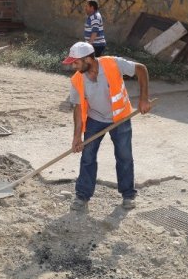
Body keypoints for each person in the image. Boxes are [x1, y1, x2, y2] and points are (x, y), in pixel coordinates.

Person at [62, 41, 151, 213]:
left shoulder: (113, 63)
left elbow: (141, 69)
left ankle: (128, 195)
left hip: (121, 117)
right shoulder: (77, 80)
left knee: (124, 156)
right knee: (87, 157)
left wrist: (144, 98)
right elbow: (78, 108)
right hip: (95, 120)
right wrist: (76, 136)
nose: (73, 66)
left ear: (88, 59)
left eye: (76, 62)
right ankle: (82, 196)